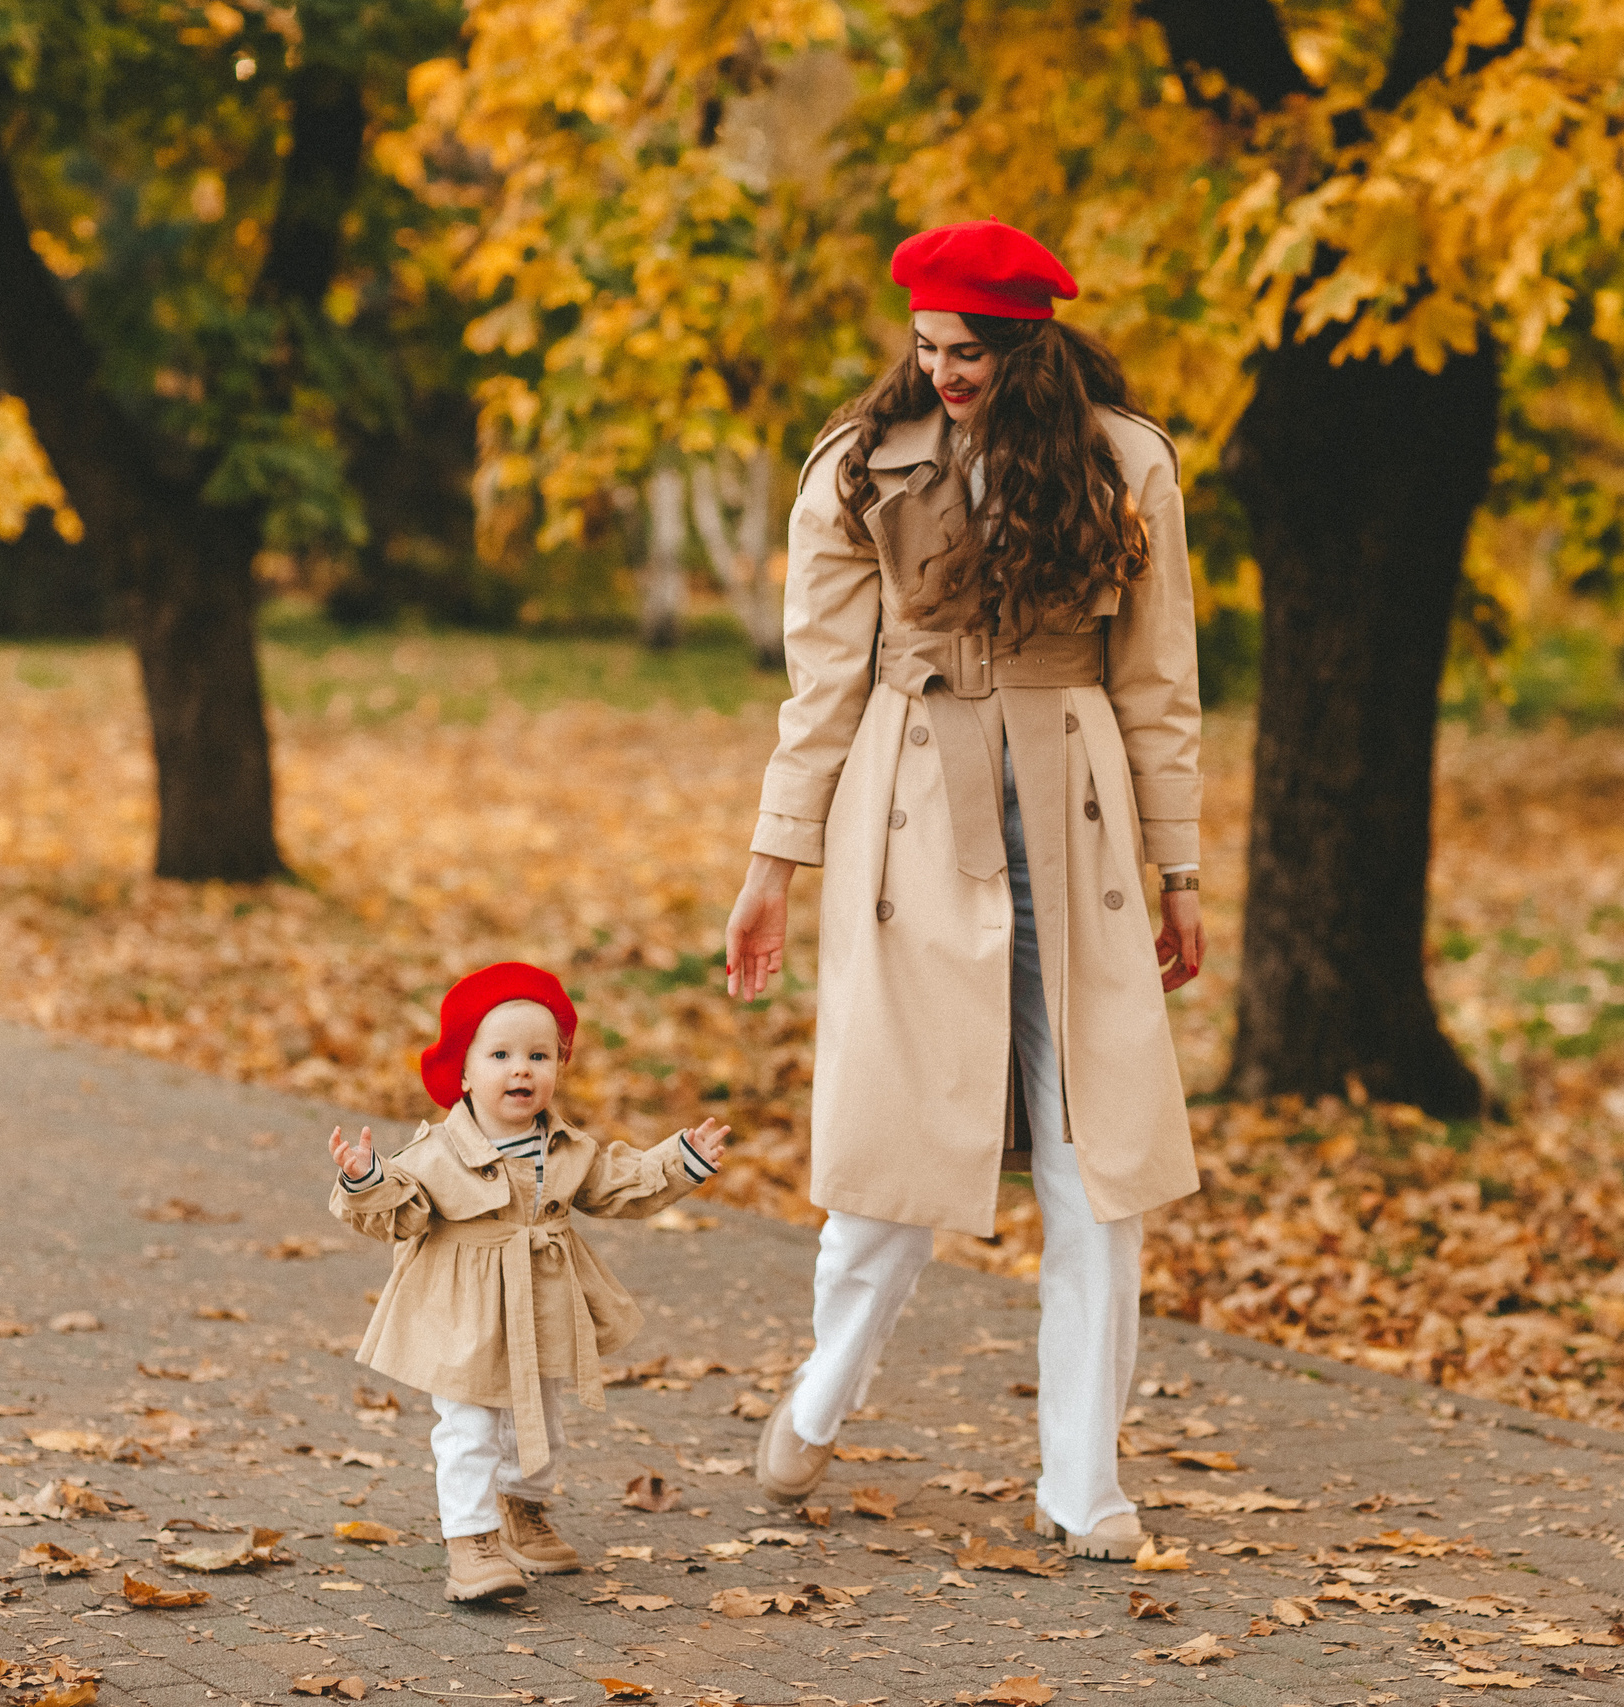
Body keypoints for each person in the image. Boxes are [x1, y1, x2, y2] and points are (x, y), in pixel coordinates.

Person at [723, 219, 1204, 1562]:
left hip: (1080, 815)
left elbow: (1160, 684)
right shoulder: (857, 469)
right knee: (896, 1142)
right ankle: (827, 1381)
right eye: (927, 345)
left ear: (1030, 344)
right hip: (911, 810)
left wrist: (1182, 868)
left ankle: (1081, 1478)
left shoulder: (1128, 464)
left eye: (971, 351)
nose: (943, 370)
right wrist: (772, 868)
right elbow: (818, 689)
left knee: (1092, 1158)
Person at [328, 961, 731, 1603]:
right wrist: (365, 1178)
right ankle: (472, 1539)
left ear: (558, 1068)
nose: (522, 1069)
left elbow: (616, 1185)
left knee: (540, 1418)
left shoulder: (567, 1148)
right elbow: (397, 1212)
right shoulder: (435, 1153)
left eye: (539, 1055)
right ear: (463, 1072)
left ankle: (523, 1507)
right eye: (501, 1054)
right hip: (465, 1309)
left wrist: (678, 1161)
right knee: (470, 1424)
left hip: (542, 1298)